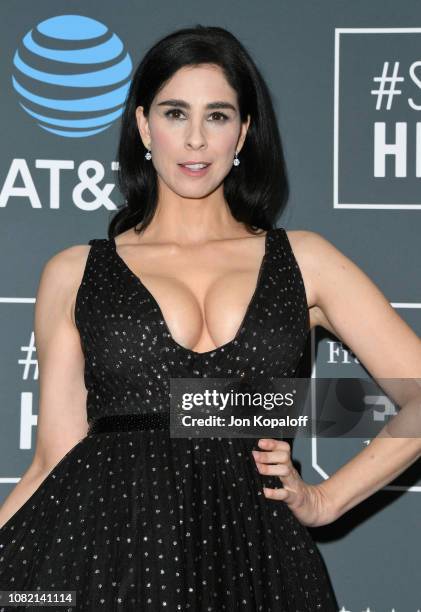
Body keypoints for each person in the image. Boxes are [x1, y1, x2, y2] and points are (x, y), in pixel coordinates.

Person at [1, 24, 420, 612]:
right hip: (111, 560)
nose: (196, 140)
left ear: (243, 132)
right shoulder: (74, 272)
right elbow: (54, 458)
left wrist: (325, 501)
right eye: (176, 114)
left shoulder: (305, 260)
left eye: (218, 116)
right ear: (145, 125)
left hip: (260, 560)